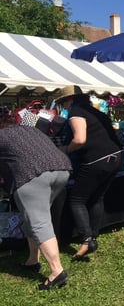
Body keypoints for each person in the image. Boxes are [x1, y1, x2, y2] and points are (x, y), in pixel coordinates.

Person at [0, 116, 72, 290]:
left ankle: (57, 272)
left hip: (32, 175)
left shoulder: (1, 135)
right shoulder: (30, 129)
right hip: (62, 169)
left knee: (39, 223)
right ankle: (33, 260)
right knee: (31, 218)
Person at [55, 85, 124, 260]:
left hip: (97, 159)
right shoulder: (95, 111)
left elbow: (80, 139)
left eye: (63, 103)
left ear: (70, 100)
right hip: (116, 156)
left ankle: (86, 239)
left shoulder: (76, 111)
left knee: (76, 199)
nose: (63, 107)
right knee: (97, 198)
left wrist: (65, 149)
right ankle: (93, 235)